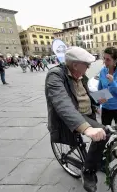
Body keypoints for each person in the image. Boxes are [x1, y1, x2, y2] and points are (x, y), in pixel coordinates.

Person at [45, 47, 107, 192]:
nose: (89, 67)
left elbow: (87, 94)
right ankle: (87, 172)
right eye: (87, 64)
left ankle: (95, 161)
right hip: (73, 116)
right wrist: (86, 128)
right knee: (102, 134)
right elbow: (62, 103)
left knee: (105, 133)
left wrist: (108, 95)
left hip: (86, 113)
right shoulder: (55, 76)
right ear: (75, 65)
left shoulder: (80, 75)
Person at [98, 47, 117, 126]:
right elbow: (100, 89)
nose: (105, 61)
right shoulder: (102, 71)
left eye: (108, 59)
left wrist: (113, 82)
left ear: (115, 60)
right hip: (105, 108)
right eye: (104, 58)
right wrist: (99, 102)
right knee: (105, 133)